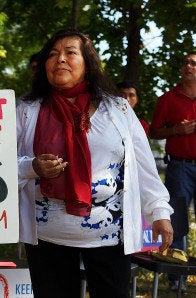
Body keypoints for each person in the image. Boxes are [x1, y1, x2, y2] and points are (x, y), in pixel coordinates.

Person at [16, 29, 173, 298]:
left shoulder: (117, 109)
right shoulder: (26, 109)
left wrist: (159, 212)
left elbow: (143, 164)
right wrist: (33, 167)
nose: (60, 59)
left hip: (109, 236)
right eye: (53, 54)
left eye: (70, 53)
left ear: (88, 65)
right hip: (47, 237)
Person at [149, 51, 196, 292]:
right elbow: (154, 132)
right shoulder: (168, 98)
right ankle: (176, 280)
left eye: (194, 63)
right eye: (186, 62)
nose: (188, 66)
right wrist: (177, 131)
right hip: (180, 167)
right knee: (175, 221)